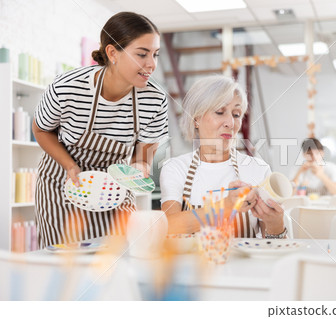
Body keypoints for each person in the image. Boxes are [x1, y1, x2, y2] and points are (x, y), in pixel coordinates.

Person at [33, 12, 168, 247]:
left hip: (115, 189)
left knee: (120, 256)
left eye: (155, 55)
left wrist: (140, 165)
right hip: (63, 185)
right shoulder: (66, 88)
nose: (151, 64)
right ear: (112, 52)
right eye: (142, 54)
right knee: (67, 260)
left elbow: (148, 145)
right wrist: (70, 165)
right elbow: (42, 130)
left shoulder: (155, 100)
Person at [160, 75, 286, 238]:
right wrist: (224, 207)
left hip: (246, 264)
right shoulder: (176, 168)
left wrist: (275, 223)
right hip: (193, 264)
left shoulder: (258, 169)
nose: (231, 123)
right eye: (220, 112)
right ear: (196, 119)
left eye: (236, 114)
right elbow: (167, 227)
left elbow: (275, 247)